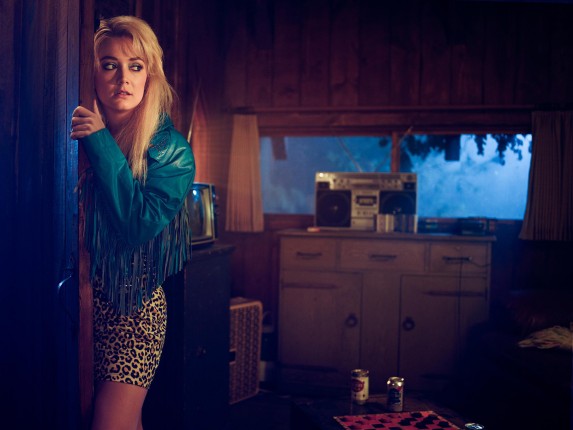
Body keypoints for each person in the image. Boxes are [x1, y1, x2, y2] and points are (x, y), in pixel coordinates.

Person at [70, 16, 195, 430]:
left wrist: (100, 141)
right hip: (80, 306)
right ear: (92, 72)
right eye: (109, 64)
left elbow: (139, 225)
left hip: (134, 312)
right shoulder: (75, 137)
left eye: (135, 66)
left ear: (149, 76)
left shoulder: (173, 151)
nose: (123, 77)